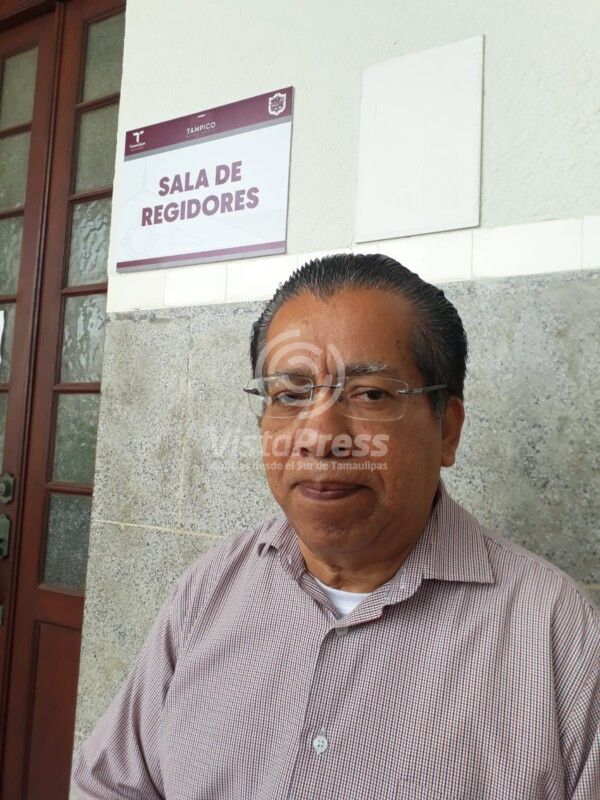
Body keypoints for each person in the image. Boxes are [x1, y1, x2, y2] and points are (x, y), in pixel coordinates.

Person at [72, 254, 599, 799]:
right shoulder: (212, 589)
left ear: (447, 429)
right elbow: (110, 784)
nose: (322, 437)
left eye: (371, 394)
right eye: (290, 395)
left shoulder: (556, 637)